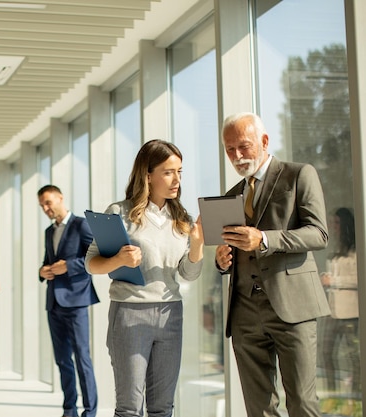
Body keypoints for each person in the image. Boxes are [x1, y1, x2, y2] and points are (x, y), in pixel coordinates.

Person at [214, 112, 329, 417]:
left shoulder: (299, 174)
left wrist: (264, 239)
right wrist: (223, 261)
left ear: (264, 141)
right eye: (230, 150)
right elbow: (232, 253)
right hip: (244, 313)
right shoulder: (230, 197)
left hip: (294, 306)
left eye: (244, 146)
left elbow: (318, 234)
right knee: (258, 408)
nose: (237, 156)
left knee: (303, 404)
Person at [85, 139, 204, 417]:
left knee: (163, 408)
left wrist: (197, 246)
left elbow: (188, 274)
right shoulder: (119, 213)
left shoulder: (181, 218)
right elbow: (91, 263)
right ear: (147, 175)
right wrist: (118, 260)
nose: (176, 180)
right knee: (129, 408)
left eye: (180, 172)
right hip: (129, 315)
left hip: (170, 314)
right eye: (168, 172)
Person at [38, 185, 99, 417]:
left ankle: (90, 412)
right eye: (42, 205)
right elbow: (47, 261)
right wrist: (42, 271)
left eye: (48, 202)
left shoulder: (81, 224)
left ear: (60, 198)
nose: (45, 208)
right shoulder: (48, 232)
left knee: (83, 359)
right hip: (53, 303)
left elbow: (96, 255)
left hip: (76, 302)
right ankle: (69, 410)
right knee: (62, 361)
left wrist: (69, 266)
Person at [320, 207, 360, 412]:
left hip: (350, 313)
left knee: (354, 358)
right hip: (332, 311)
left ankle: (355, 401)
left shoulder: (356, 252)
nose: (333, 228)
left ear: (344, 225)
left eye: (336, 223)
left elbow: (358, 279)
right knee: (326, 353)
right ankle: (332, 396)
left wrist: (333, 280)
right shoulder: (336, 249)